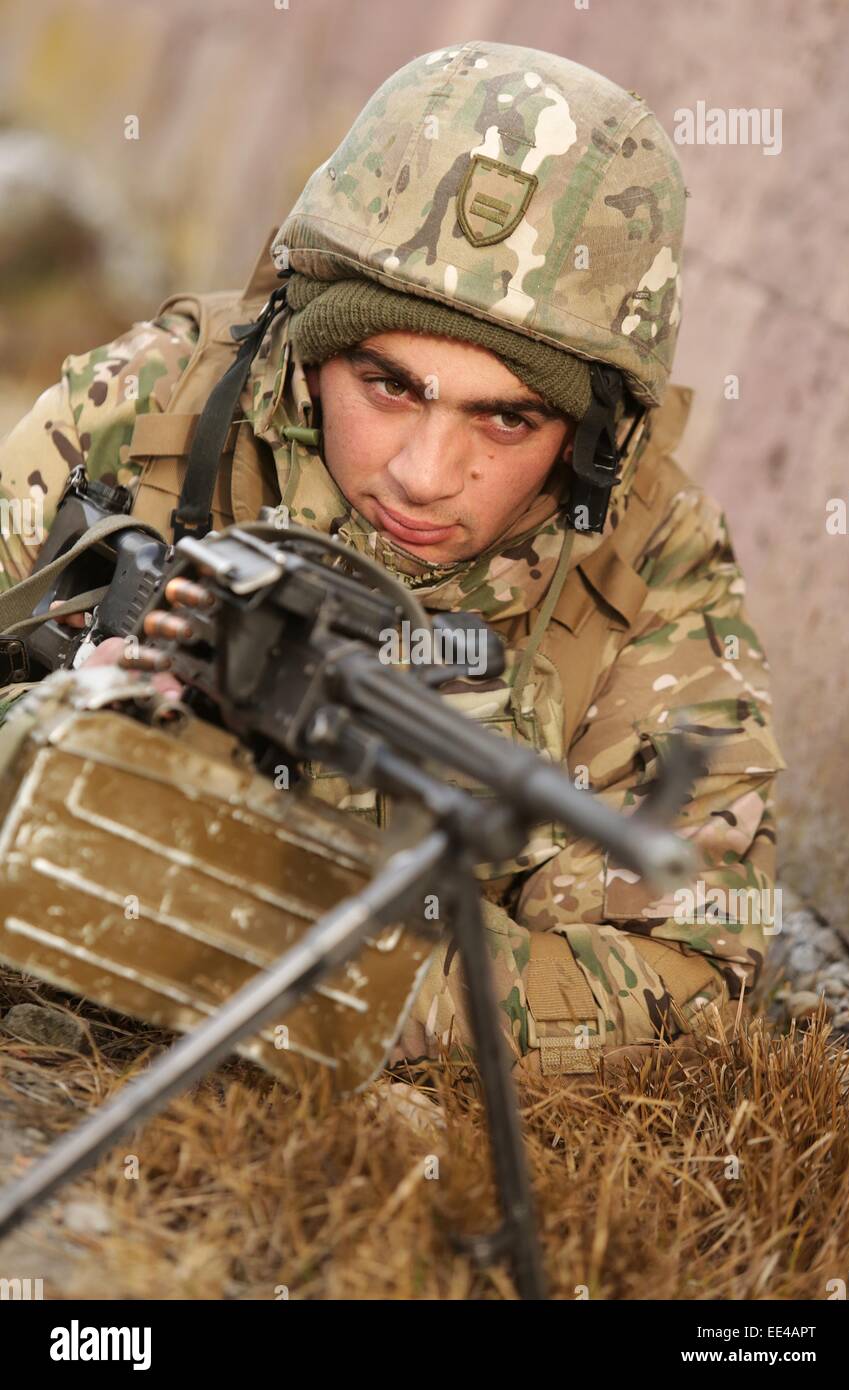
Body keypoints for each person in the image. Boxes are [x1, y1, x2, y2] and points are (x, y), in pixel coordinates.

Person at [0, 41, 785, 1084]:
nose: (423, 474)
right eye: (388, 386)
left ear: (589, 436)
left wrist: (335, 955)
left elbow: (689, 981)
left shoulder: (649, 566)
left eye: (506, 417)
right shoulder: (147, 409)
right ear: (312, 344)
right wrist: (43, 745)